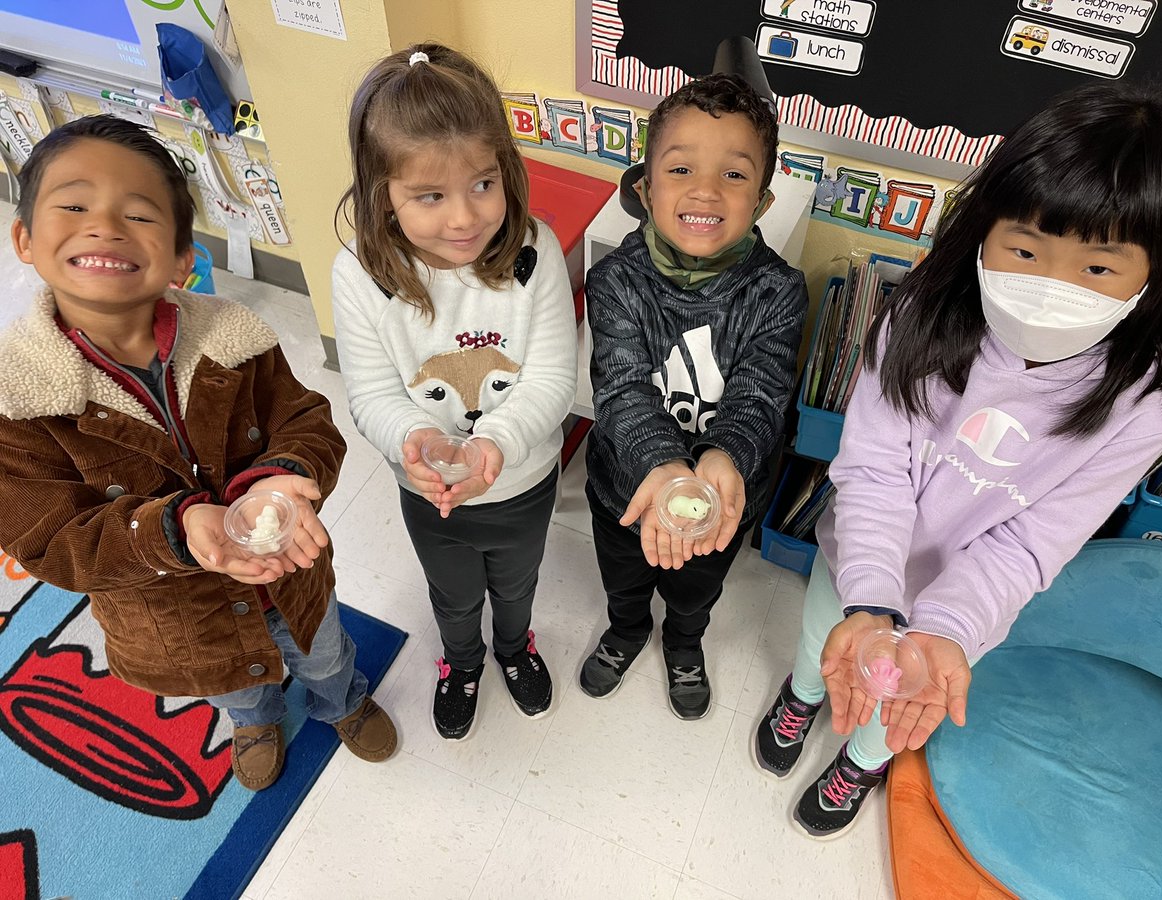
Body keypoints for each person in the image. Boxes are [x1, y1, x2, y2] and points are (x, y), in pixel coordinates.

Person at [754, 81, 1162, 839]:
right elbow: (873, 469)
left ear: (1155, 274)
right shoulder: (918, 314)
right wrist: (870, 599)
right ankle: (799, 696)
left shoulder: (1142, 409)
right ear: (987, 230)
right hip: (860, 563)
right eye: (1024, 251)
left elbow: (1031, 545)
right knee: (824, 642)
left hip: (963, 616)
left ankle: (860, 765)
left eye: (1097, 270)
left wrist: (947, 627)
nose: (1049, 289)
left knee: (899, 707)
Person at [0, 115, 397, 792]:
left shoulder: (232, 339)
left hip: (288, 577)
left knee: (323, 653)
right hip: (175, 619)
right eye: (73, 204)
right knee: (232, 687)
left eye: (139, 212)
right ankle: (255, 723)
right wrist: (170, 529)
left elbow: (306, 420)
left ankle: (343, 701)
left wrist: (282, 478)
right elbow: (51, 540)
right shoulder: (19, 400)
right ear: (25, 239)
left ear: (185, 257)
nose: (105, 225)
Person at [331, 45, 577, 741]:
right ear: (384, 195)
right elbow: (374, 392)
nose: (465, 218)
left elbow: (554, 377)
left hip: (523, 482)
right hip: (431, 491)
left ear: (507, 173)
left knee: (518, 583)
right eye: (429, 197)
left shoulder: (536, 253)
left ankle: (514, 646)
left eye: (482, 184)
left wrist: (494, 443)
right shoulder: (358, 276)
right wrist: (418, 440)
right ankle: (462, 661)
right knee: (454, 594)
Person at [579, 73, 808, 719]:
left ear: (762, 201)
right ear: (646, 188)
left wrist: (723, 458)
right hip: (622, 490)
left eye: (734, 176)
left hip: (725, 500)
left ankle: (683, 644)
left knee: (694, 591)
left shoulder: (777, 290)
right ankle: (626, 632)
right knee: (625, 580)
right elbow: (621, 388)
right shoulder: (615, 280)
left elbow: (761, 393)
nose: (705, 190)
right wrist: (661, 466)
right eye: (680, 169)